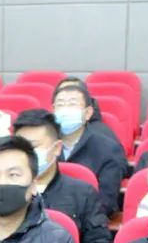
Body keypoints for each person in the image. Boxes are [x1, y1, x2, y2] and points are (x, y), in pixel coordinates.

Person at [13, 109, 113, 243]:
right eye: (20, 148)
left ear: (57, 148)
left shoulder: (82, 193)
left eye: (34, 147)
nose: (27, 155)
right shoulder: (2, 191)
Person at [52, 83, 127, 215]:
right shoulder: (44, 146)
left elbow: (106, 201)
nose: (65, 110)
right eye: (60, 105)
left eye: (72, 104)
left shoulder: (108, 149)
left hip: (88, 220)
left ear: (88, 113)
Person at [53, 77, 120, 145]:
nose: (66, 109)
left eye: (72, 103)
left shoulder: (103, 137)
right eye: (60, 104)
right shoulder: (49, 133)